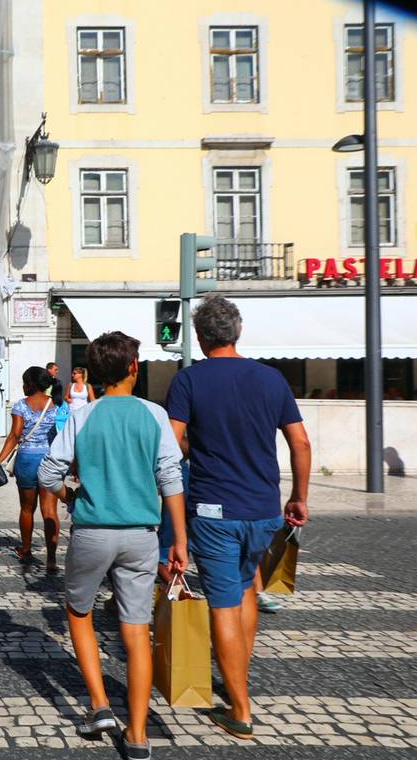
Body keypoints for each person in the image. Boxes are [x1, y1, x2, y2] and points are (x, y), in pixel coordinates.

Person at [165, 295, 310, 740]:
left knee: (225, 602)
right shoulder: (271, 379)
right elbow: (300, 443)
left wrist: (197, 452)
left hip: (214, 511)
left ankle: (240, 708)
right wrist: (298, 497)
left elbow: (172, 447)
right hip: (264, 509)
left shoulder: (188, 381)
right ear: (238, 332)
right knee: (247, 588)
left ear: (201, 337)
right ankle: (237, 682)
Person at [37, 331, 187, 760]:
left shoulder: (82, 417)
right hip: (142, 534)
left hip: (92, 532)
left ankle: (99, 704)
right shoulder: (154, 415)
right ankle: (137, 734)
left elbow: (48, 474)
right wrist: (179, 539)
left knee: (78, 610)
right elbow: (170, 477)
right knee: (136, 629)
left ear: (95, 375)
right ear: (134, 369)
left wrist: (71, 497)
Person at [0, 366, 61, 572]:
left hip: (26, 460)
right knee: (49, 510)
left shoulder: (21, 406)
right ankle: (51, 559)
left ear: (31, 384)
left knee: (27, 508)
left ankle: (26, 549)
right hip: (50, 459)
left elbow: (14, 436)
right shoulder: (56, 404)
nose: (23, 386)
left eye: (25, 382)